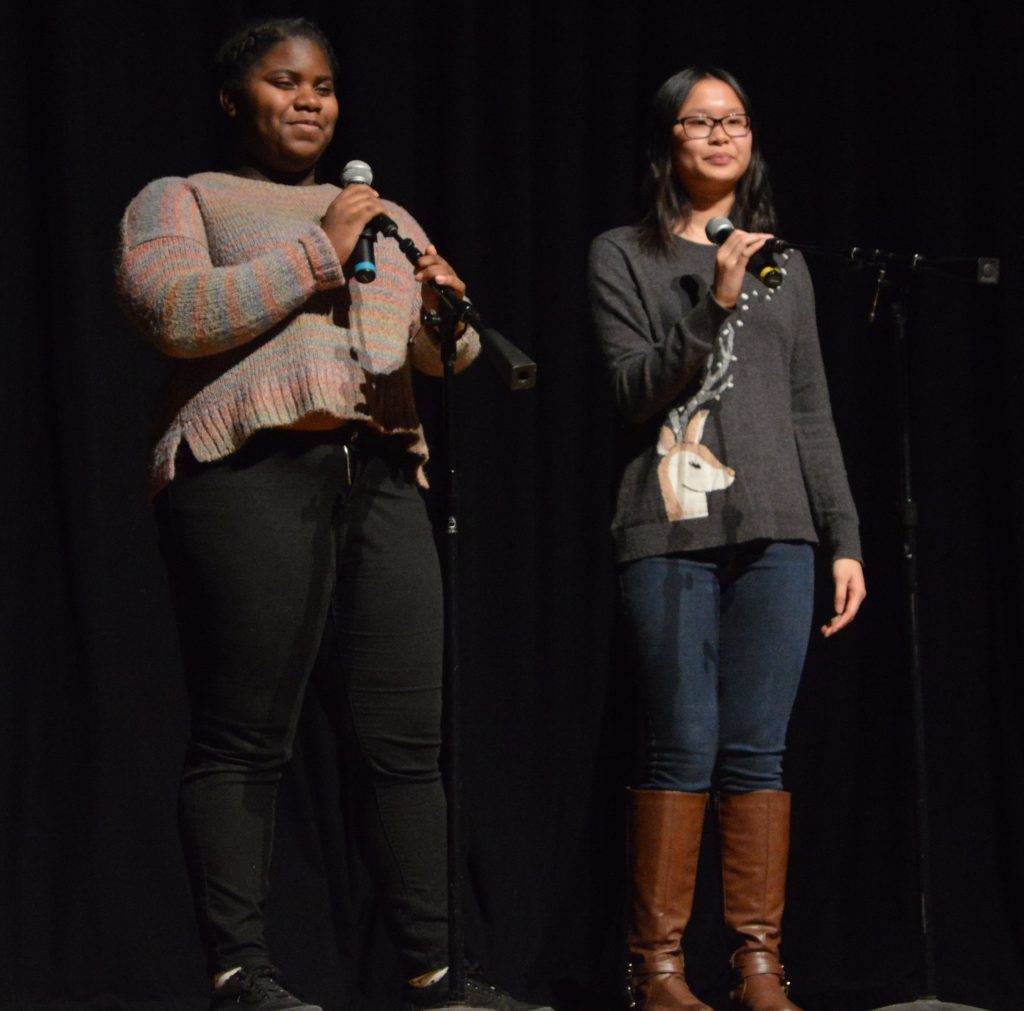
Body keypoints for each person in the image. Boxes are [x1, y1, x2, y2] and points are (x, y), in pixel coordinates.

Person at [115, 18, 551, 1011]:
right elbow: (173, 311)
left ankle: (436, 976)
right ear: (237, 100)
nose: (311, 99)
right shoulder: (183, 199)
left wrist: (446, 308)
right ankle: (241, 976)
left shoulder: (382, 213)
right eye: (285, 82)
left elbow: (447, 355)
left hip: (386, 475)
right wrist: (323, 249)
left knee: (406, 745)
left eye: (323, 84)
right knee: (245, 738)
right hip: (247, 469)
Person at [587, 68, 866, 1011]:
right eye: (700, 121)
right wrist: (714, 298)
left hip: (781, 531)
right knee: (684, 743)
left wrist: (844, 537)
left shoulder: (789, 264)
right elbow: (633, 389)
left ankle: (756, 964)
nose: (721, 135)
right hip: (668, 526)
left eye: (736, 120)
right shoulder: (621, 255)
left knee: (758, 750)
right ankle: (657, 968)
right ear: (668, 139)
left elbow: (810, 411)